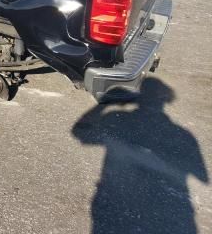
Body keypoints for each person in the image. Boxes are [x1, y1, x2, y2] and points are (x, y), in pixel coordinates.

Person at [72, 78, 208, 234]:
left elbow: (79, 134)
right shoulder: (185, 135)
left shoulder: (117, 116)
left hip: (116, 200)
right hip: (172, 214)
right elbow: (202, 177)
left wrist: (104, 104)